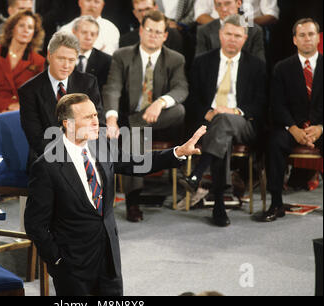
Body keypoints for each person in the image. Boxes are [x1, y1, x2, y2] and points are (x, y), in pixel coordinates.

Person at [24, 93, 206, 296]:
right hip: (72, 267)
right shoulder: (46, 166)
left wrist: (178, 152)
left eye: (95, 115)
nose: (96, 122)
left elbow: (137, 162)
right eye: (88, 117)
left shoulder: (100, 146)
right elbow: (35, 224)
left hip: (109, 258)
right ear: (68, 124)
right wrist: (57, 260)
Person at [180, 15, 266, 227]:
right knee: (221, 133)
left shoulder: (256, 65)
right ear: (220, 35)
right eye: (228, 34)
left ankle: (199, 173)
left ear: (245, 39)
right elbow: (191, 98)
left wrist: (235, 110)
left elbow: (262, 102)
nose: (232, 39)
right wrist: (207, 112)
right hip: (210, 124)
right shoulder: (203, 62)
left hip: (243, 123)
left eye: (237, 35)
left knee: (224, 121)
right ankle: (219, 204)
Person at [102, 10, 188, 222]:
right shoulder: (122, 55)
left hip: (161, 120)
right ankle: (133, 201)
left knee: (179, 109)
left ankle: (132, 125)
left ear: (165, 36)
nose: (153, 35)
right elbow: (112, 88)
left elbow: (181, 88)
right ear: (140, 30)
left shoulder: (175, 59)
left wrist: (160, 102)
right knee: (135, 135)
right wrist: (111, 119)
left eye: (158, 32)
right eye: (149, 30)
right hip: (132, 117)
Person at [256, 18, 323, 222]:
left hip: (320, 129)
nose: (307, 39)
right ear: (294, 40)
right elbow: (276, 105)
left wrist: (320, 128)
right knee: (274, 142)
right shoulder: (281, 68)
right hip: (291, 128)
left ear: (318, 37)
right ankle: (276, 203)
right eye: (302, 35)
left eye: (311, 34)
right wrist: (293, 128)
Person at [19, 31, 104, 163]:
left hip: (84, 156)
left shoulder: (88, 83)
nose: (66, 66)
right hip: (47, 160)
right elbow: (36, 139)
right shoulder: (29, 90)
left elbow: (98, 126)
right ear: (49, 56)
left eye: (71, 60)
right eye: (61, 59)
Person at [0, 10, 45, 116]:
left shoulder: (38, 61)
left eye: (30, 27)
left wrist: (20, 108)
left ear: (34, 33)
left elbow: (37, 96)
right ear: (12, 29)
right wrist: (8, 106)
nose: (26, 30)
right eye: (21, 25)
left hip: (23, 114)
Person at [195, 0, 265, 62]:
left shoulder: (255, 31)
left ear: (239, 3)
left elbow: (259, 65)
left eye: (227, 3)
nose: (224, 9)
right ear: (215, 8)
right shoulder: (204, 31)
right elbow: (200, 64)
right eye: (219, 4)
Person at [119, 0, 184, 57]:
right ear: (135, 13)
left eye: (147, 9)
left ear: (155, 8)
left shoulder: (173, 35)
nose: (144, 14)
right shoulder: (125, 41)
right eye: (140, 10)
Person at [71, 15, 111, 91]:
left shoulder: (107, 61)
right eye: (84, 32)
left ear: (97, 36)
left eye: (92, 34)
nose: (88, 37)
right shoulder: (63, 56)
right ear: (74, 32)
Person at [195, 0, 279, 26]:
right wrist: (223, 26)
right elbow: (200, 15)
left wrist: (246, 23)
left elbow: (272, 14)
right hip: (216, 28)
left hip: (250, 26)